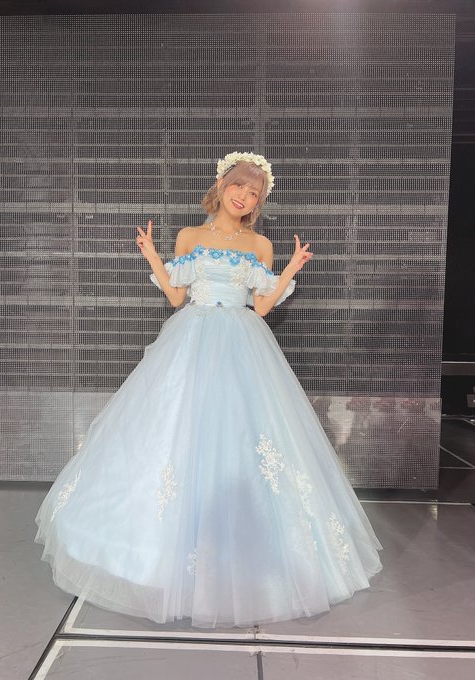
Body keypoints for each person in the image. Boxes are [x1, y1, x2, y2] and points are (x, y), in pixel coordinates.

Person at [35, 151, 382, 629]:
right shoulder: (190, 237)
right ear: (221, 186)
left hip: (242, 342)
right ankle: (158, 559)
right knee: (174, 434)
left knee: (242, 440)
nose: (244, 196)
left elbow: (262, 307)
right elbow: (176, 296)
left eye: (254, 193)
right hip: (191, 341)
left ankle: (251, 564)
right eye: (239, 186)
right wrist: (152, 254)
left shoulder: (260, 244)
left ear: (259, 202)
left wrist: (291, 268)